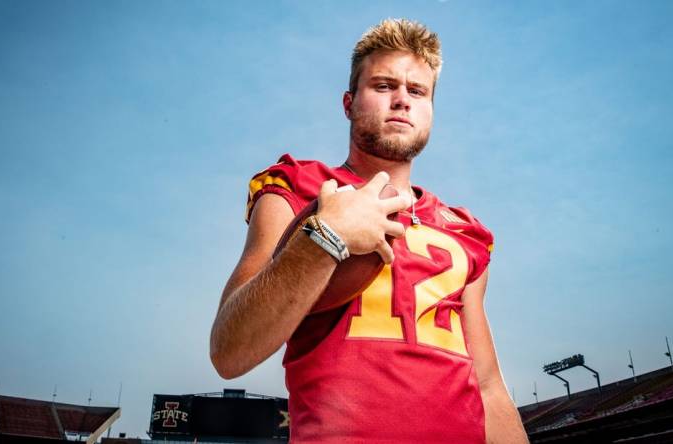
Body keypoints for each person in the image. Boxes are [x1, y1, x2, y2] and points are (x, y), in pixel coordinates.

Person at [210, 18, 528, 443]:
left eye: (417, 91)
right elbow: (229, 350)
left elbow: (488, 386)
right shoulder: (299, 186)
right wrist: (325, 237)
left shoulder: (465, 231)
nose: (402, 100)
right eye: (383, 86)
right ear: (348, 102)